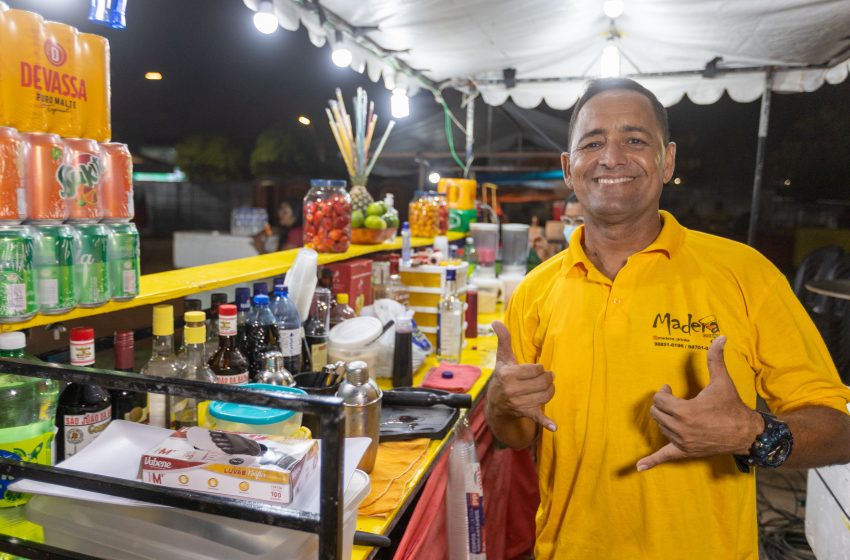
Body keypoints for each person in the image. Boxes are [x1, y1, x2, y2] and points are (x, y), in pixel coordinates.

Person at [485, 77, 850, 559]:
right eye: (593, 142)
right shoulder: (535, 290)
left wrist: (753, 433)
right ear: (569, 168)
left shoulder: (743, 273)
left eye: (635, 140)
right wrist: (502, 401)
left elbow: (838, 427)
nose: (612, 157)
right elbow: (517, 436)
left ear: (667, 160)